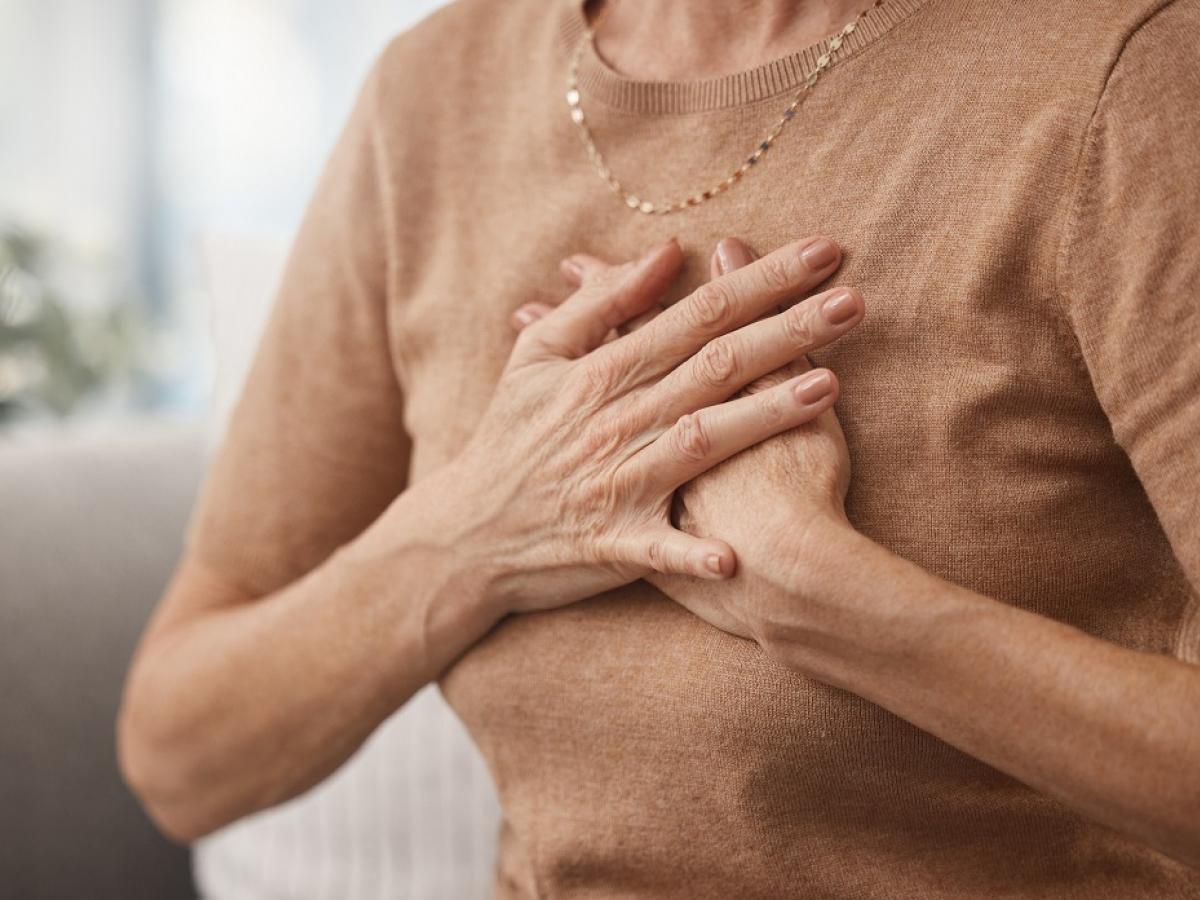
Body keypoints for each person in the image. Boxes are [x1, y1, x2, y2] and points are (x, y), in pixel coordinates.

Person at [118, 0, 1200, 896]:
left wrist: (830, 599)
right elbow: (181, 755)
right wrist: (480, 531)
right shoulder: (432, 95)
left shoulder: (1125, 78)